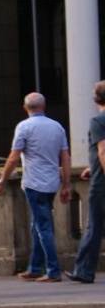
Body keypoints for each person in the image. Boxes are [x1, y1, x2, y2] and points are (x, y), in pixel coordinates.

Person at [0, 92, 71, 282]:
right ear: (44, 107)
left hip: (34, 182)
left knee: (43, 227)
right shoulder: (57, 127)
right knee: (37, 224)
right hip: (52, 182)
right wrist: (67, 184)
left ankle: (53, 270)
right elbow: (65, 158)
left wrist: (2, 180)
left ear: (25, 108)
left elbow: (13, 157)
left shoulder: (24, 127)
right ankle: (35, 267)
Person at [67, 82, 105, 283]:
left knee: (93, 228)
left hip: (101, 185)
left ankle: (84, 270)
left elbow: (103, 150)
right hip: (99, 174)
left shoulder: (98, 121)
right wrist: (93, 166)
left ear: (94, 99)